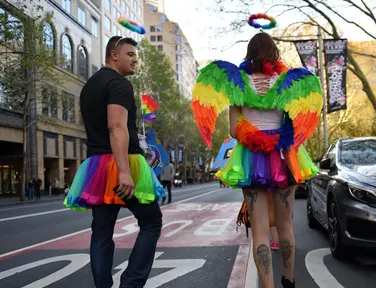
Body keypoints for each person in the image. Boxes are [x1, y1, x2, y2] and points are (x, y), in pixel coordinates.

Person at [191, 19, 322, 288]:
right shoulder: (289, 83)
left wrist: (256, 137)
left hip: (250, 160)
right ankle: (289, 281)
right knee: (285, 226)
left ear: (248, 55)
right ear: (274, 54)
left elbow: (234, 130)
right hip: (284, 158)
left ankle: (268, 286)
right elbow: (295, 125)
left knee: (260, 230)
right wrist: (276, 137)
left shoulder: (238, 85)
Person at [63, 36, 165, 288]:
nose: (135, 60)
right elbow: (116, 127)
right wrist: (124, 172)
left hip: (97, 167)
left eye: (135, 56)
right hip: (122, 163)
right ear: (113, 55)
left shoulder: (89, 86)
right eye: (130, 54)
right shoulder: (119, 84)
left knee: (101, 233)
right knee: (151, 222)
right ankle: (131, 283)